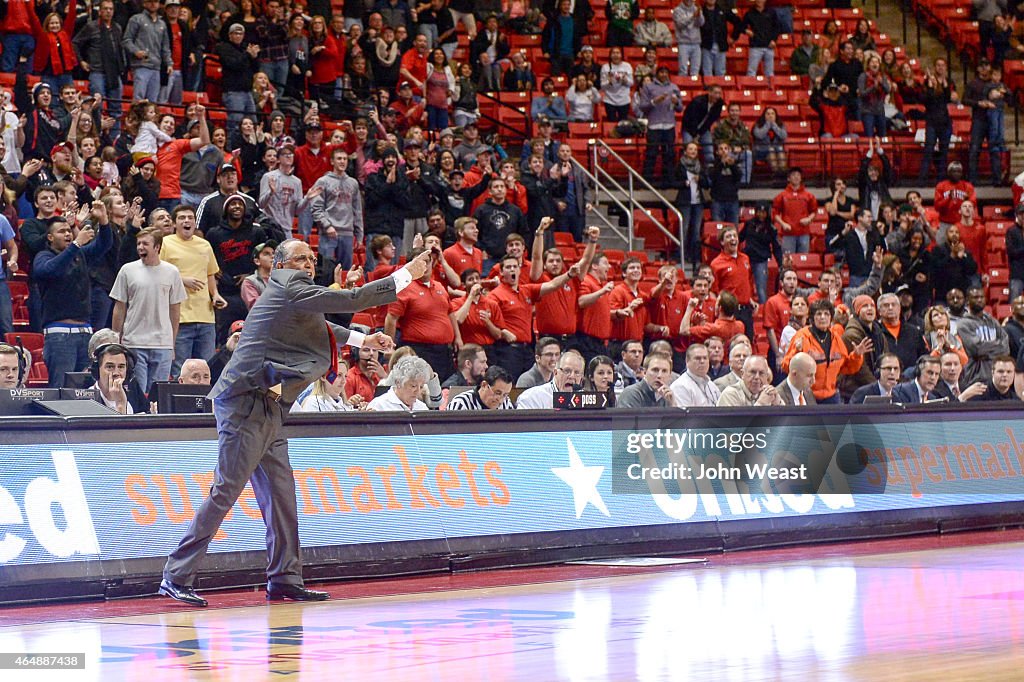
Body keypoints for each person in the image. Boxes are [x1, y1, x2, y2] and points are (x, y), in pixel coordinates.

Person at [160, 243, 431, 607]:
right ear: (282, 264)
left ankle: (285, 579)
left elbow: (318, 325)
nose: (309, 263)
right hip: (246, 402)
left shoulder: (294, 296)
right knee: (225, 491)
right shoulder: (289, 285)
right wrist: (405, 275)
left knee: (282, 497)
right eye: (302, 258)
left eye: (312, 259)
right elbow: (353, 299)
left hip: (268, 405)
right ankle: (176, 575)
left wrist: (362, 339)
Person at [110, 226, 188, 394]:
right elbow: (119, 307)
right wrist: (116, 338)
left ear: (157, 247)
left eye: (145, 244)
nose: (140, 247)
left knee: (159, 394)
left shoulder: (172, 272)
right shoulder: (127, 270)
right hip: (134, 342)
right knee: (137, 393)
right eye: (138, 244)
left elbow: (175, 310)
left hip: (162, 344)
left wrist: (172, 343)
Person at [782, 299, 871, 404]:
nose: (823, 317)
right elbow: (786, 366)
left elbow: (846, 368)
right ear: (812, 318)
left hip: (832, 395)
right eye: (819, 314)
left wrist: (856, 355)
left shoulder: (836, 338)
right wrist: (796, 352)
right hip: (808, 395)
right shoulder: (802, 336)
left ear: (831, 317)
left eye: (826, 314)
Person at [958, 286, 1010, 386]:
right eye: (976, 297)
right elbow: (977, 350)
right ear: (968, 301)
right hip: (975, 378)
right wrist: (997, 347)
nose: (979, 300)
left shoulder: (992, 321)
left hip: (997, 376)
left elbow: (1006, 347)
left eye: (982, 297)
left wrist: (986, 353)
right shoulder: (963, 324)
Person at [124, 0, 172, 103]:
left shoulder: (162, 24)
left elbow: (165, 47)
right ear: (144, 3)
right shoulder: (136, 19)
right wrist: (136, 51)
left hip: (156, 66)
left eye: (156, 1)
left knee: (152, 101)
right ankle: (135, 119)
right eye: (150, 1)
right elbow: (127, 40)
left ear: (159, 4)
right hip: (141, 64)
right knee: (138, 98)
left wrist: (169, 63)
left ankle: (150, 119)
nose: (153, 4)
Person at [90, 343, 148, 414]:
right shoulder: (88, 400)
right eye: (110, 367)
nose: (116, 373)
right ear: (97, 370)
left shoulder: (132, 391)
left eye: (121, 367)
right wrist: (120, 404)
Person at [515, 350, 585, 409]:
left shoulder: (586, 399)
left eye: (577, 372)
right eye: (567, 371)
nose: (572, 376)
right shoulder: (532, 397)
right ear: (555, 372)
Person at [367, 355, 433, 412]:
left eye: (421, 387)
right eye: (413, 386)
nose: (418, 391)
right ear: (398, 382)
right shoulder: (379, 406)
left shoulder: (422, 408)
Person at [717, 355, 783, 406]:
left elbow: (786, 421)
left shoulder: (769, 393)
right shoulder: (730, 394)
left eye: (761, 373)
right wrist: (761, 404)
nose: (757, 377)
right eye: (753, 372)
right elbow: (736, 423)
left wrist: (778, 404)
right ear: (742, 374)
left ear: (766, 376)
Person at [735, 0, 779, 77]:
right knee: (751, 72)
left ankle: (770, 88)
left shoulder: (772, 12)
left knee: (770, 73)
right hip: (755, 46)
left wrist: (774, 40)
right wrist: (746, 31)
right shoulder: (749, 13)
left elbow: (777, 27)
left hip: (769, 46)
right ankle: (749, 88)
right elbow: (741, 26)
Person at [446, 365, 515, 409]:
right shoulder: (461, 403)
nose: (500, 400)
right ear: (484, 385)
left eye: (505, 395)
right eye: (497, 393)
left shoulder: (506, 404)